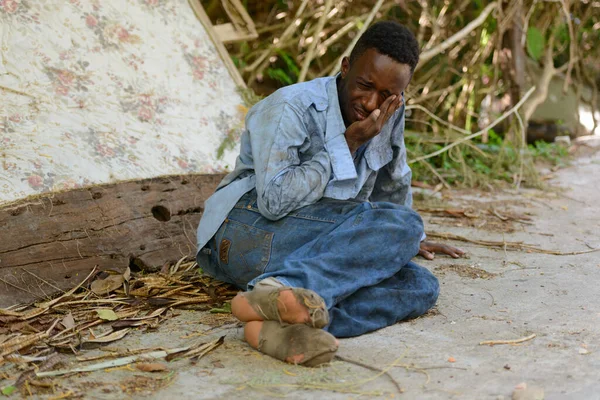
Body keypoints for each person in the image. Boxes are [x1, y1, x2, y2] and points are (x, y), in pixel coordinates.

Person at [196, 21, 464, 367]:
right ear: (345, 67)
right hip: (242, 232)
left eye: (387, 95)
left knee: (420, 285)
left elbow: (392, 181)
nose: (371, 103)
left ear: (400, 94)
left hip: (312, 244)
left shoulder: (391, 111)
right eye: (365, 85)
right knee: (406, 225)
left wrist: (393, 243)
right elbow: (273, 202)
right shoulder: (290, 106)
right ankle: (277, 291)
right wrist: (349, 143)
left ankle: (277, 327)